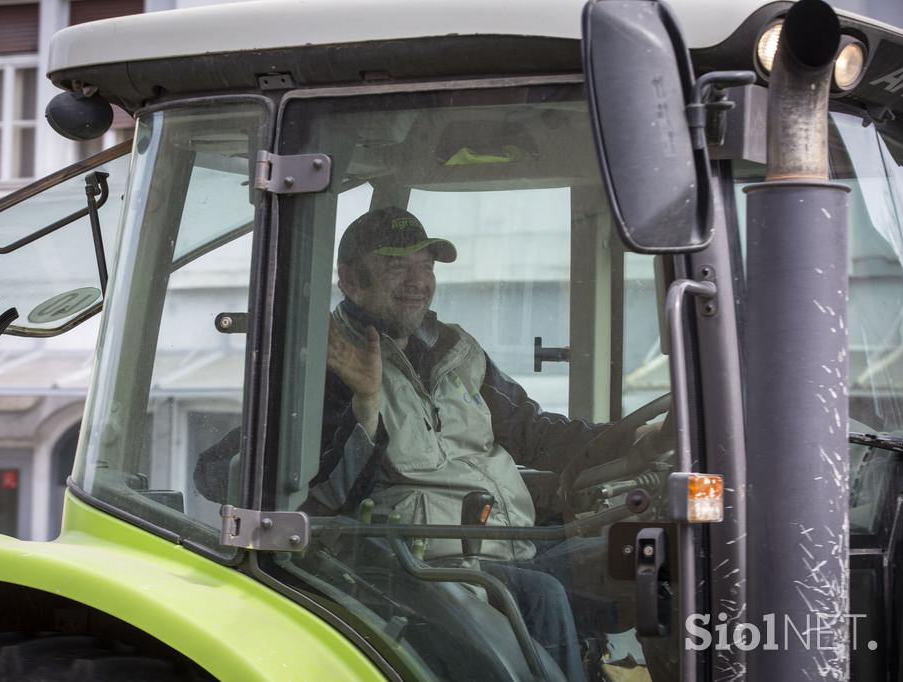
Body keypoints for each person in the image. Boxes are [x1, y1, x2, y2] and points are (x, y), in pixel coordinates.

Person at [195, 206, 653, 680]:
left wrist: (635, 441)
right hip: (421, 574)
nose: (419, 281)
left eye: (426, 266)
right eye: (398, 267)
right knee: (543, 596)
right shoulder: (322, 361)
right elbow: (219, 472)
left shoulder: (454, 349)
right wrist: (360, 399)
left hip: (512, 545)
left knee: (642, 555)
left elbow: (534, 432)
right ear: (351, 281)